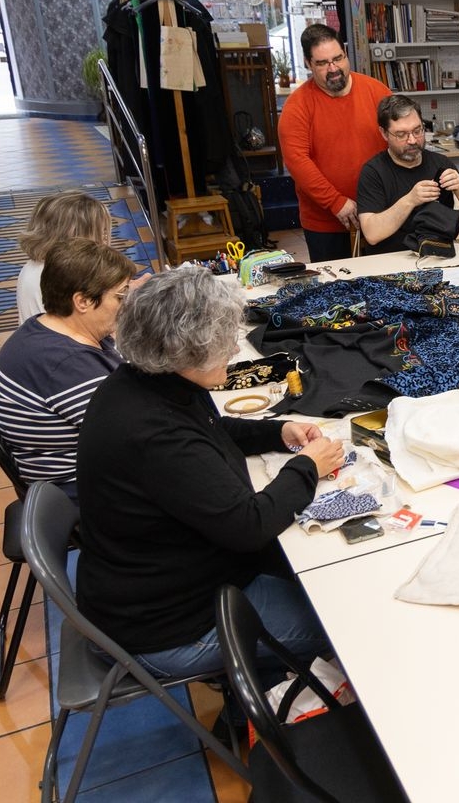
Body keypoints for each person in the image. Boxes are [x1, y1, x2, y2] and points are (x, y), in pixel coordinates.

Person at [76, 266, 344, 678]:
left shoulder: (147, 381)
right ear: (185, 351)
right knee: (341, 626)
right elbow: (249, 525)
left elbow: (214, 429)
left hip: (160, 587)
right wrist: (307, 467)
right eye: (224, 345)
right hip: (168, 627)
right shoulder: (155, 434)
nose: (234, 353)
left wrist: (279, 431)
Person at [0, 241, 133, 497]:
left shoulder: (44, 327)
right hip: (88, 492)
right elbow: (135, 435)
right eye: (120, 296)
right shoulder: (65, 364)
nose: (126, 303)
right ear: (83, 301)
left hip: (77, 474)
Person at [279, 24, 394, 261]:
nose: (333, 69)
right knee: (334, 293)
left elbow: (398, 137)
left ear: (345, 53)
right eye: (322, 63)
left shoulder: (377, 92)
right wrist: (335, 202)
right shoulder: (297, 106)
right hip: (326, 223)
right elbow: (297, 162)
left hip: (382, 215)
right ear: (308, 64)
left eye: (338, 59)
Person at [356, 94, 459, 254]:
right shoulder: (373, 172)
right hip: (392, 260)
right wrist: (410, 200)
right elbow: (372, 234)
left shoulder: (441, 163)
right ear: (384, 133)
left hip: (440, 255)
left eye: (417, 130)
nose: (413, 140)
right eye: (401, 134)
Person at [16, 191, 112, 321]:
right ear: (75, 236)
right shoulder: (62, 279)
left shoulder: (36, 268)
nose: (104, 242)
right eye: (100, 234)